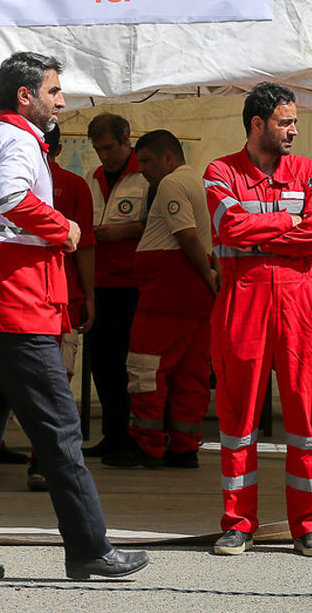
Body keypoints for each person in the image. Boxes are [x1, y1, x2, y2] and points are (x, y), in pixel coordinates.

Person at [0, 51, 148, 583]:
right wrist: (64, 227)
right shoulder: (17, 141)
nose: (62, 101)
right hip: (16, 311)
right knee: (60, 435)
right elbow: (14, 198)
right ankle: (89, 549)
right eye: (55, 91)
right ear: (25, 96)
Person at [204, 81, 312, 558]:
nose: (294, 131)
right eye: (285, 122)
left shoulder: (309, 170)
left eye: (295, 122)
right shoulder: (220, 171)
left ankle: (309, 526)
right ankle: (239, 524)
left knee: (307, 421)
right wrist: (288, 225)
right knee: (237, 421)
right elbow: (229, 226)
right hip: (244, 302)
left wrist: (259, 237)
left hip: (302, 305)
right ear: (257, 124)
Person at [102, 129, 217, 470]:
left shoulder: (170, 184)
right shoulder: (200, 183)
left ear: (169, 157)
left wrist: (205, 273)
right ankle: (185, 447)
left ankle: (146, 445)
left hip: (167, 292)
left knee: (145, 369)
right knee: (190, 373)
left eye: (149, 161)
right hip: (193, 297)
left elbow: (186, 235)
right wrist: (211, 276)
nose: (144, 170)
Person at [27, 123, 96, 492]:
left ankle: (40, 459)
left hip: (25, 298)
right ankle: (48, 462)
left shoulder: (9, 178)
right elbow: (84, 247)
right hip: (62, 298)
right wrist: (89, 296)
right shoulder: (74, 185)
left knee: (19, 381)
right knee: (58, 383)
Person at [81, 113, 148, 459]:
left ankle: (134, 436)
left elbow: (162, 225)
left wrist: (124, 231)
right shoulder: (92, 178)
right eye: (98, 149)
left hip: (133, 284)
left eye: (108, 148)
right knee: (102, 364)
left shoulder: (146, 175)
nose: (103, 156)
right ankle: (113, 433)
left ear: (126, 140)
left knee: (131, 365)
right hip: (99, 282)